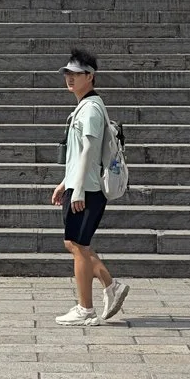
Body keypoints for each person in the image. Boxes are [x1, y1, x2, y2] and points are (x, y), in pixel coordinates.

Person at [52, 50, 126, 325]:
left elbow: (89, 151)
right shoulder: (84, 105)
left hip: (88, 188)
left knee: (79, 246)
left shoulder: (92, 108)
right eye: (67, 74)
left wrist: (79, 189)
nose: (70, 79)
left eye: (76, 74)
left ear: (90, 77)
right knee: (73, 243)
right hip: (79, 184)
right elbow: (77, 153)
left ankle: (86, 308)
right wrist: (65, 183)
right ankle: (111, 286)